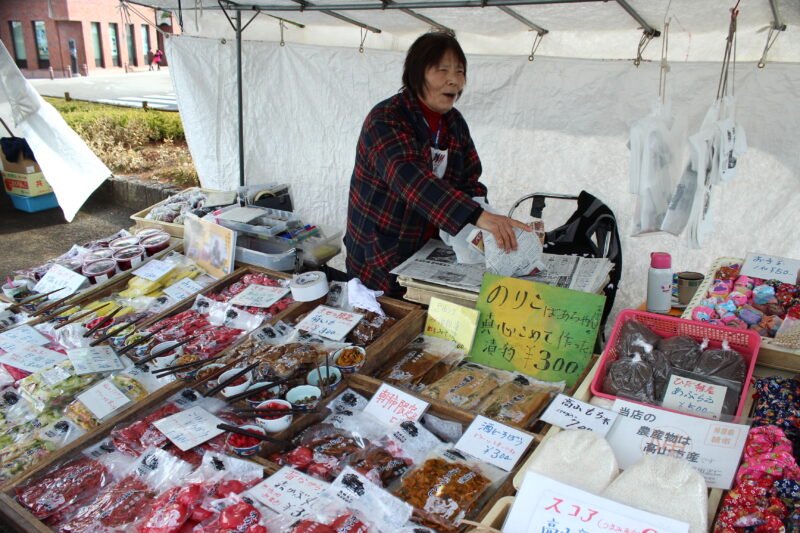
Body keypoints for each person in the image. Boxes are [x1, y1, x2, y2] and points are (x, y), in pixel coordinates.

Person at [345, 31, 531, 295]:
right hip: (379, 252)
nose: (454, 80)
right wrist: (477, 216)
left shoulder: (454, 124)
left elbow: (468, 180)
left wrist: (484, 218)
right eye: (442, 69)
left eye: (460, 71)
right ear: (417, 73)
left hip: (427, 250)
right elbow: (411, 179)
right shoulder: (386, 119)